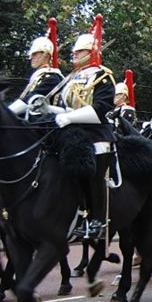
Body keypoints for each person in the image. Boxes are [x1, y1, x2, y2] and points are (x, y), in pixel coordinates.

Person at [55, 15, 116, 241]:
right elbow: (61, 105)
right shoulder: (71, 78)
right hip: (70, 131)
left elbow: (101, 108)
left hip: (96, 132)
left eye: (79, 52)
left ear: (91, 52)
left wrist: (70, 117)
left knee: (94, 167)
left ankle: (97, 217)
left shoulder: (102, 75)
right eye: (74, 52)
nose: (74, 55)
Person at [8, 20, 63, 117]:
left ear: (46, 56)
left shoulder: (51, 78)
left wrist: (6, 113)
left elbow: (30, 100)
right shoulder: (40, 77)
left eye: (35, 54)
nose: (31, 57)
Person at [108, 70, 139, 135]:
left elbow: (126, 129)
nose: (114, 97)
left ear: (124, 96)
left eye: (117, 95)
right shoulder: (111, 110)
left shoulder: (127, 110)